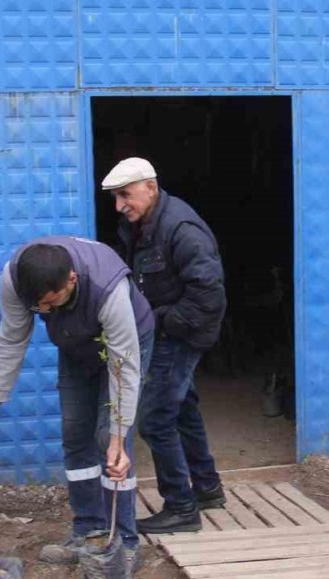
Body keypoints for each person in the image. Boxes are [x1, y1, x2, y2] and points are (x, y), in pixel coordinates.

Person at [0, 236, 153, 573]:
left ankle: (124, 541)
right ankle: (88, 530)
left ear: (71, 280)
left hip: (127, 344)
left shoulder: (108, 291)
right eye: (40, 307)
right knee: (75, 432)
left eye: (52, 302)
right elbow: (12, 337)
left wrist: (119, 436)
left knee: (108, 439)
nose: (46, 311)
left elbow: (125, 369)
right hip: (76, 345)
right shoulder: (16, 279)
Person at [102, 157, 228, 534]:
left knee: (156, 419)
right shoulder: (142, 224)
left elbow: (208, 297)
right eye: (115, 197)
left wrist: (156, 321)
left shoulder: (182, 229)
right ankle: (207, 488)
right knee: (183, 408)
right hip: (168, 329)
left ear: (151, 187)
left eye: (126, 195)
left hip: (180, 333)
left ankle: (181, 507)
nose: (119, 205)